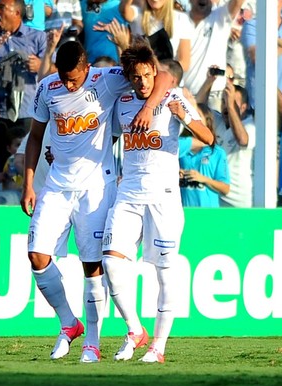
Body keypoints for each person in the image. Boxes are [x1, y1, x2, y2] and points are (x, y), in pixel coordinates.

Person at [20, 40, 171, 363]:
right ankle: (68, 324)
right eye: (64, 77)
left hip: (95, 187)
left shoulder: (107, 79)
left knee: (93, 267)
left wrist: (147, 108)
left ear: (87, 68)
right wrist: (29, 183)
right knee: (36, 255)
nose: (68, 84)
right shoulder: (48, 88)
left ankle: (92, 341)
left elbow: (165, 78)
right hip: (57, 185)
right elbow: (35, 136)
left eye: (73, 78)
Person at [103, 40, 212, 364]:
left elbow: (208, 137)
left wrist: (185, 118)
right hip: (129, 193)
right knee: (111, 262)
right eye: (136, 77)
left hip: (164, 198)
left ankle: (159, 347)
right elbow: (106, 138)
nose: (142, 82)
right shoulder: (121, 102)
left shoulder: (173, 98)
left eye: (147, 75)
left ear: (154, 71)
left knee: (165, 273)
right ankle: (135, 330)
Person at [0, 0, 46, 177]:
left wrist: (41, 64)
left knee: (25, 170)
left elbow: (55, 72)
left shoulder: (38, 37)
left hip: (27, 114)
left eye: (2, 7)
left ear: (17, 13)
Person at [179, 103, 230, 207]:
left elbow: (225, 188)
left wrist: (203, 179)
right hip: (183, 213)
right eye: (190, 115)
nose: (193, 118)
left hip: (208, 216)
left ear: (207, 121)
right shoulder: (178, 147)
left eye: (197, 115)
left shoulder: (217, 152)